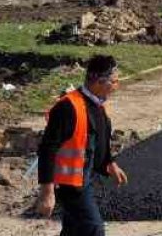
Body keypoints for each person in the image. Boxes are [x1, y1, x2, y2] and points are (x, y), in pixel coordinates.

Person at [36, 55, 128, 236]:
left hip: (84, 179)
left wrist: (110, 163)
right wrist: (47, 192)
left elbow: (98, 139)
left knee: (73, 229)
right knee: (94, 229)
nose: (117, 86)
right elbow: (47, 149)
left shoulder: (98, 105)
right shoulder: (68, 108)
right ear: (100, 82)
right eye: (115, 81)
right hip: (68, 185)